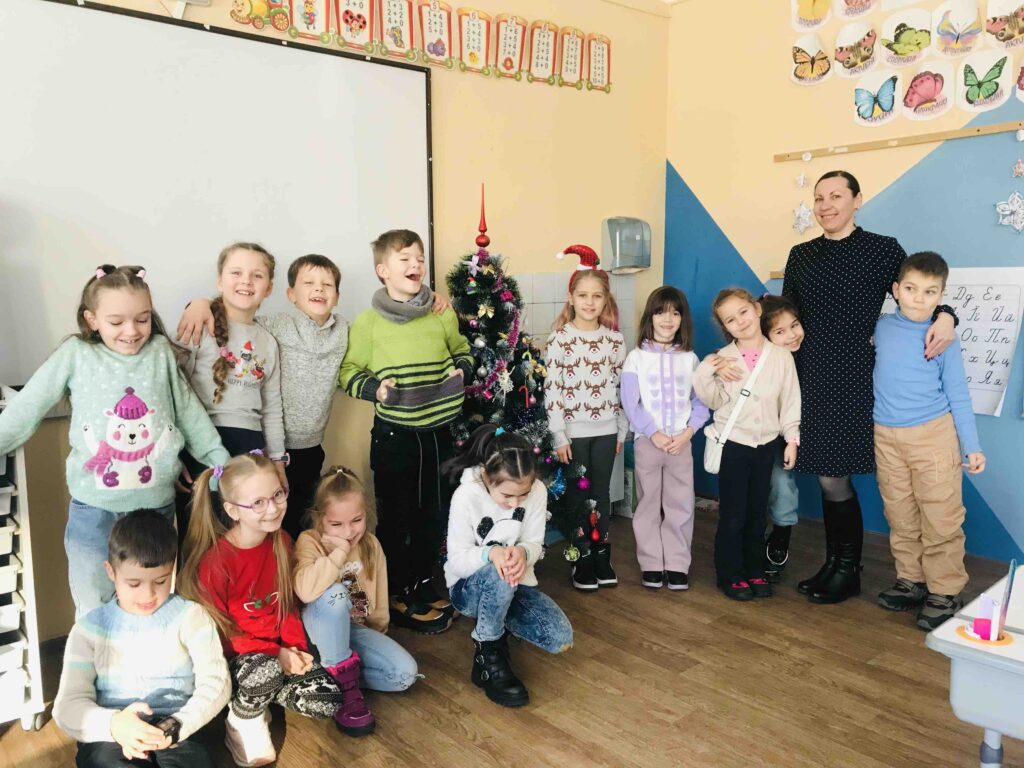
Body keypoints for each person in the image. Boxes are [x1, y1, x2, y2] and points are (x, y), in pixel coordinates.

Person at [0, 265, 227, 617]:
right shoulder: (76, 354)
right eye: (116, 322)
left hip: (154, 510)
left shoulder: (159, 353)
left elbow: (188, 412)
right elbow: (28, 406)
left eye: (142, 319)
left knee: (151, 603)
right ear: (92, 320)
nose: (131, 331)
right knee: (94, 603)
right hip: (94, 511)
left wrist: (221, 463)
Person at [176, 254, 450, 539]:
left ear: (337, 296)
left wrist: (429, 301)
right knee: (259, 519)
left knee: (299, 523)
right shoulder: (274, 326)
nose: (319, 289)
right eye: (309, 283)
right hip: (274, 447)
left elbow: (381, 332)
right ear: (290, 294)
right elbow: (236, 315)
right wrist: (200, 303)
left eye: (327, 285)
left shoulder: (344, 330)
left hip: (311, 446)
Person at [781, 170, 958, 605]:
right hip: (809, 376)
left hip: (855, 378)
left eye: (835, 196)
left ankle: (848, 570)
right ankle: (837, 564)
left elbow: (918, 292)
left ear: (857, 200)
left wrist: (947, 315)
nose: (825, 205)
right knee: (826, 476)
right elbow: (786, 317)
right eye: (818, 198)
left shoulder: (882, 249)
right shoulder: (801, 254)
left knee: (834, 475)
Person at [338, 229, 473, 634]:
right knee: (398, 518)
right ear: (383, 271)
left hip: (438, 432)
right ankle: (398, 594)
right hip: (395, 434)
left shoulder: (440, 312)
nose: (416, 265)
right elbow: (348, 372)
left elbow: (463, 351)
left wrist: (461, 371)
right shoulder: (368, 322)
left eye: (420, 258)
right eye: (405, 259)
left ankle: (423, 584)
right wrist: (375, 390)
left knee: (434, 513)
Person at [178, 452, 345, 767]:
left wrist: (294, 648)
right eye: (258, 502)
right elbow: (220, 636)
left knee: (326, 700)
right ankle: (241, 719)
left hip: (276, 655)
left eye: (277, 495)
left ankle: (262, 695)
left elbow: (288, 606)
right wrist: (276, 654)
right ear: (233, 510)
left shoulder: (282, 541)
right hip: (236, 660)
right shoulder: (216, 563)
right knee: (264, 670)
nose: (273, 508)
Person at [53, 510, 230, 768]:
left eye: (161, 581)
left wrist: (178, 725)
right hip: (113, 732)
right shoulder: (88, 630)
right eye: (134, 583)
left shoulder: (191, 616)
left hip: (179, 726)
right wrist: (113, 725)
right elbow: (67, 706)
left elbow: (217, 682)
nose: (148, 595)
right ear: (111, 571)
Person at [873, 252, 985, 630]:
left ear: (941, 296)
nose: (919, 298)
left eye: (929, 292)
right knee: (900, 513)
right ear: (896, 290)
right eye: (911, 289)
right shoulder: (881, 328)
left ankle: (945, 590)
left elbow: (958, 394)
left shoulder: (943, 337)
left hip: (933, 435)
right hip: (886, 436)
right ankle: (911, 580)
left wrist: (972, 446)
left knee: (940, 515)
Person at [442, 425, 573, 707]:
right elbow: (457, 562)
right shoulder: (465, 496)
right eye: (506, 496)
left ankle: (497, 617)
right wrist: (491, 554)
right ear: (486, 477)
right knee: (498, 571)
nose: (515, 504)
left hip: (515, 583)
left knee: (558, 637)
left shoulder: (537, 490)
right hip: (467, 589)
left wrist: (523, 553)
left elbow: (534, 544)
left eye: (522, 495)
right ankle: (488, 651)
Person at [294, 466, 419, 736]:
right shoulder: (309, 541)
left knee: (405, 675)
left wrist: (377, 638)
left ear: (367, 514)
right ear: (319, 519)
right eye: (336, 524)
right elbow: (305, 591)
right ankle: (347, 689)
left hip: (354, 631)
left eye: (356, 520)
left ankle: (332, 676)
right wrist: (339, 552)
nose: (349, 532)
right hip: (318, 634)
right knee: (336, 594)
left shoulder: (371, 545)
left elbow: (379, 604)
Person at [693, 288, 801, 601]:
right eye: (730, 320)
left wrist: (791, 439)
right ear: (725, 327)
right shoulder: (722, 359)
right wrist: (707, 370)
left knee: (757, 513)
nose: (740, 321)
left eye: (743, 312)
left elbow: (790, 401)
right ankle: (730, 573)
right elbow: (712, 400)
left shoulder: (781, 356)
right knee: (734, 513)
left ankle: (755, 569)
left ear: (756, 309)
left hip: (766, 445)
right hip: (733, 446)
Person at [544, 244, 628, 591]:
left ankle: (601, 555)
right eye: (583, 295)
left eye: (597, 296)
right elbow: (552, 390)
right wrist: (559, 435)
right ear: (571, 298)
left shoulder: (615, 341)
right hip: (574, 435)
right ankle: (581, 558)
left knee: (601, 494)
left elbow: (623, 390)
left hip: (606, 432)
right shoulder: (560, 340)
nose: (590, 302)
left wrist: (621, 431)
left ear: (606, 300)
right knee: (578, 498)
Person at [620, 286, 709, 590]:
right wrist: (652, 432)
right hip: (649, 442)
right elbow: (631, 402)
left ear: (683, 319)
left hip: (680, 444)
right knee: (647, 504)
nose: (667, 319)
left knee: (680, 504)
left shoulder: (690, 359)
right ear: (650, 316)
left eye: (675, 313)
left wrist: (689, 432)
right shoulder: (636, 358)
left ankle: (677, 564)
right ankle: (651, 564)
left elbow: (700, 402)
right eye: (660, 312)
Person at [758, 295, 806, 583]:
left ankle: (780, 537)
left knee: (782, 486)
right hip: (760, 433)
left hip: (790, 434)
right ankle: (751, 539)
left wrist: (792, 438)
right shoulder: (761, 361)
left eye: (795, 325)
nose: (791, 335)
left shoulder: (807, 357)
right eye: (780, 331)